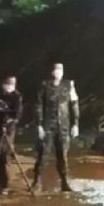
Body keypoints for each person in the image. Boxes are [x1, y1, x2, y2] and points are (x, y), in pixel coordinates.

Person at [33, 62, 80, 192]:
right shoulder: (44, 86)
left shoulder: (69, 85)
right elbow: (38, 106)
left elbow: (74, 104)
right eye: (56, 69)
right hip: (48, 125)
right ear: (51, 71)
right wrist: (39, 125)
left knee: (63, 155)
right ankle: (36, 180)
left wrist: (75, 124)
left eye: (60, 70)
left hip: (64, 125)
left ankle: (64, 182)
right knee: (43, 153)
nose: (58, 72)